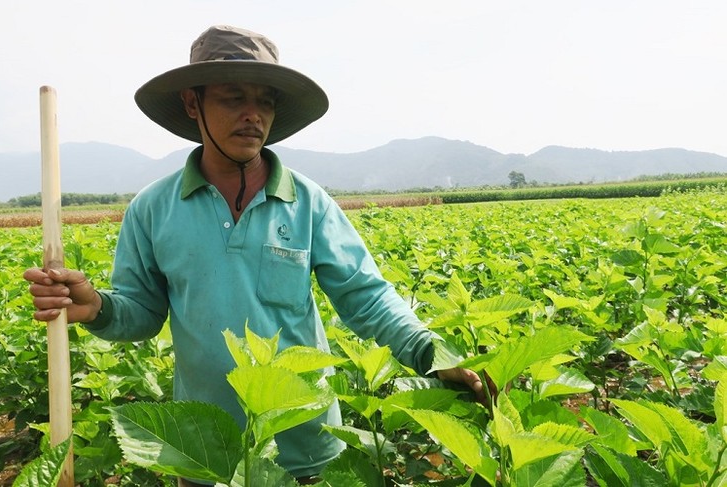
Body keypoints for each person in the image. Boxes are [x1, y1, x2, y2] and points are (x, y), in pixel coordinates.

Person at [24, 25, 492, 486]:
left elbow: (365, 297)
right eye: (233, 97)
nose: (253, 115)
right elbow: (142, 312)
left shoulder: (307, 202)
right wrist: (97, 308)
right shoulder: (153, 208)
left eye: (264, 101)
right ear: (193, 104)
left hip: (303, 444)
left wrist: (435, 354)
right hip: (203, 451)